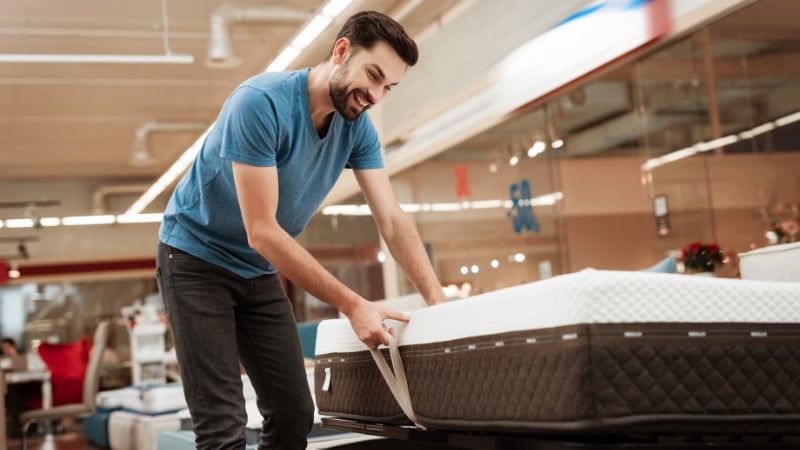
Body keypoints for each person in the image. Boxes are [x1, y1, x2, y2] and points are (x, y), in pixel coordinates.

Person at [155, 10, 448, 450]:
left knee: (293, 412)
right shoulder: (260, 102)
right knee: (222, 423)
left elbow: (391, 218)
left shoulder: (356, 130)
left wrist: (437, 300)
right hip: (196, 260)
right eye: (372, 75)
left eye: (388, 86)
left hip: (255, 270)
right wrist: (353, 304)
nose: (375, 94)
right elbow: (262, 231)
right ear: (342, 50)